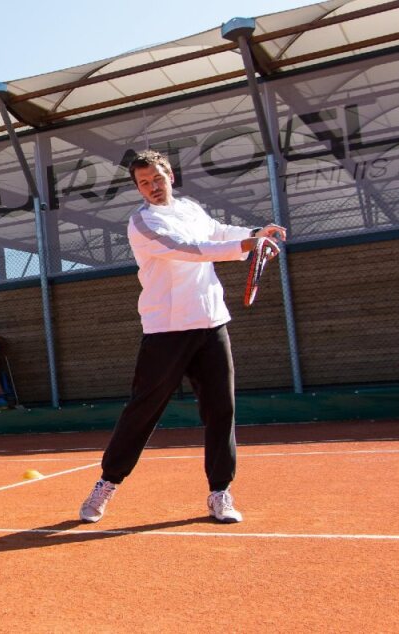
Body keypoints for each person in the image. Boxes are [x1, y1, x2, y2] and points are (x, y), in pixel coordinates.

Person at [79, 150, 286, 524]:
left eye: (157, 179)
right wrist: (247, 246)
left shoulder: (190, 208)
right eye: (144, 183)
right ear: (138, 188)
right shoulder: (142, 223)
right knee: (143, 411)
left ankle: (220, 492)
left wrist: (254, 234)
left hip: (211, 323)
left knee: (221, 409)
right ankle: (107, 483)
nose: (152, 187)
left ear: (170, 175)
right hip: (166, 330)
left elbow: (217, 232)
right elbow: (188, 251)